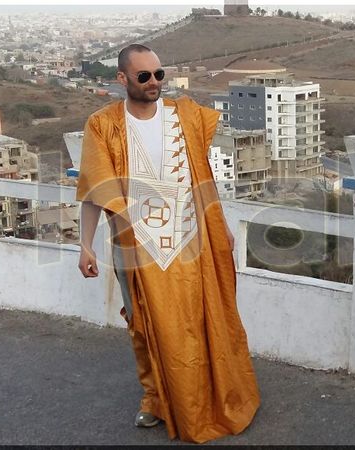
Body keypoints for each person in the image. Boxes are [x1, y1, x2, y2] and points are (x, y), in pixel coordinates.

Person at [76, 44, 260, 443]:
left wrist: (221, 226)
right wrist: (85, 245)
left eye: (159, 74)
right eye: (144, 76)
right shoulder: (103, 125)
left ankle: (215, 393)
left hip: (194, 235)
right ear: (122, 79)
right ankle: (155, 398)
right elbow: (95, 189)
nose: (155, 83)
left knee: (206, 316)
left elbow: (202, 177)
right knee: (144, 323)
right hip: (136, 244)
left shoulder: (187, 115)